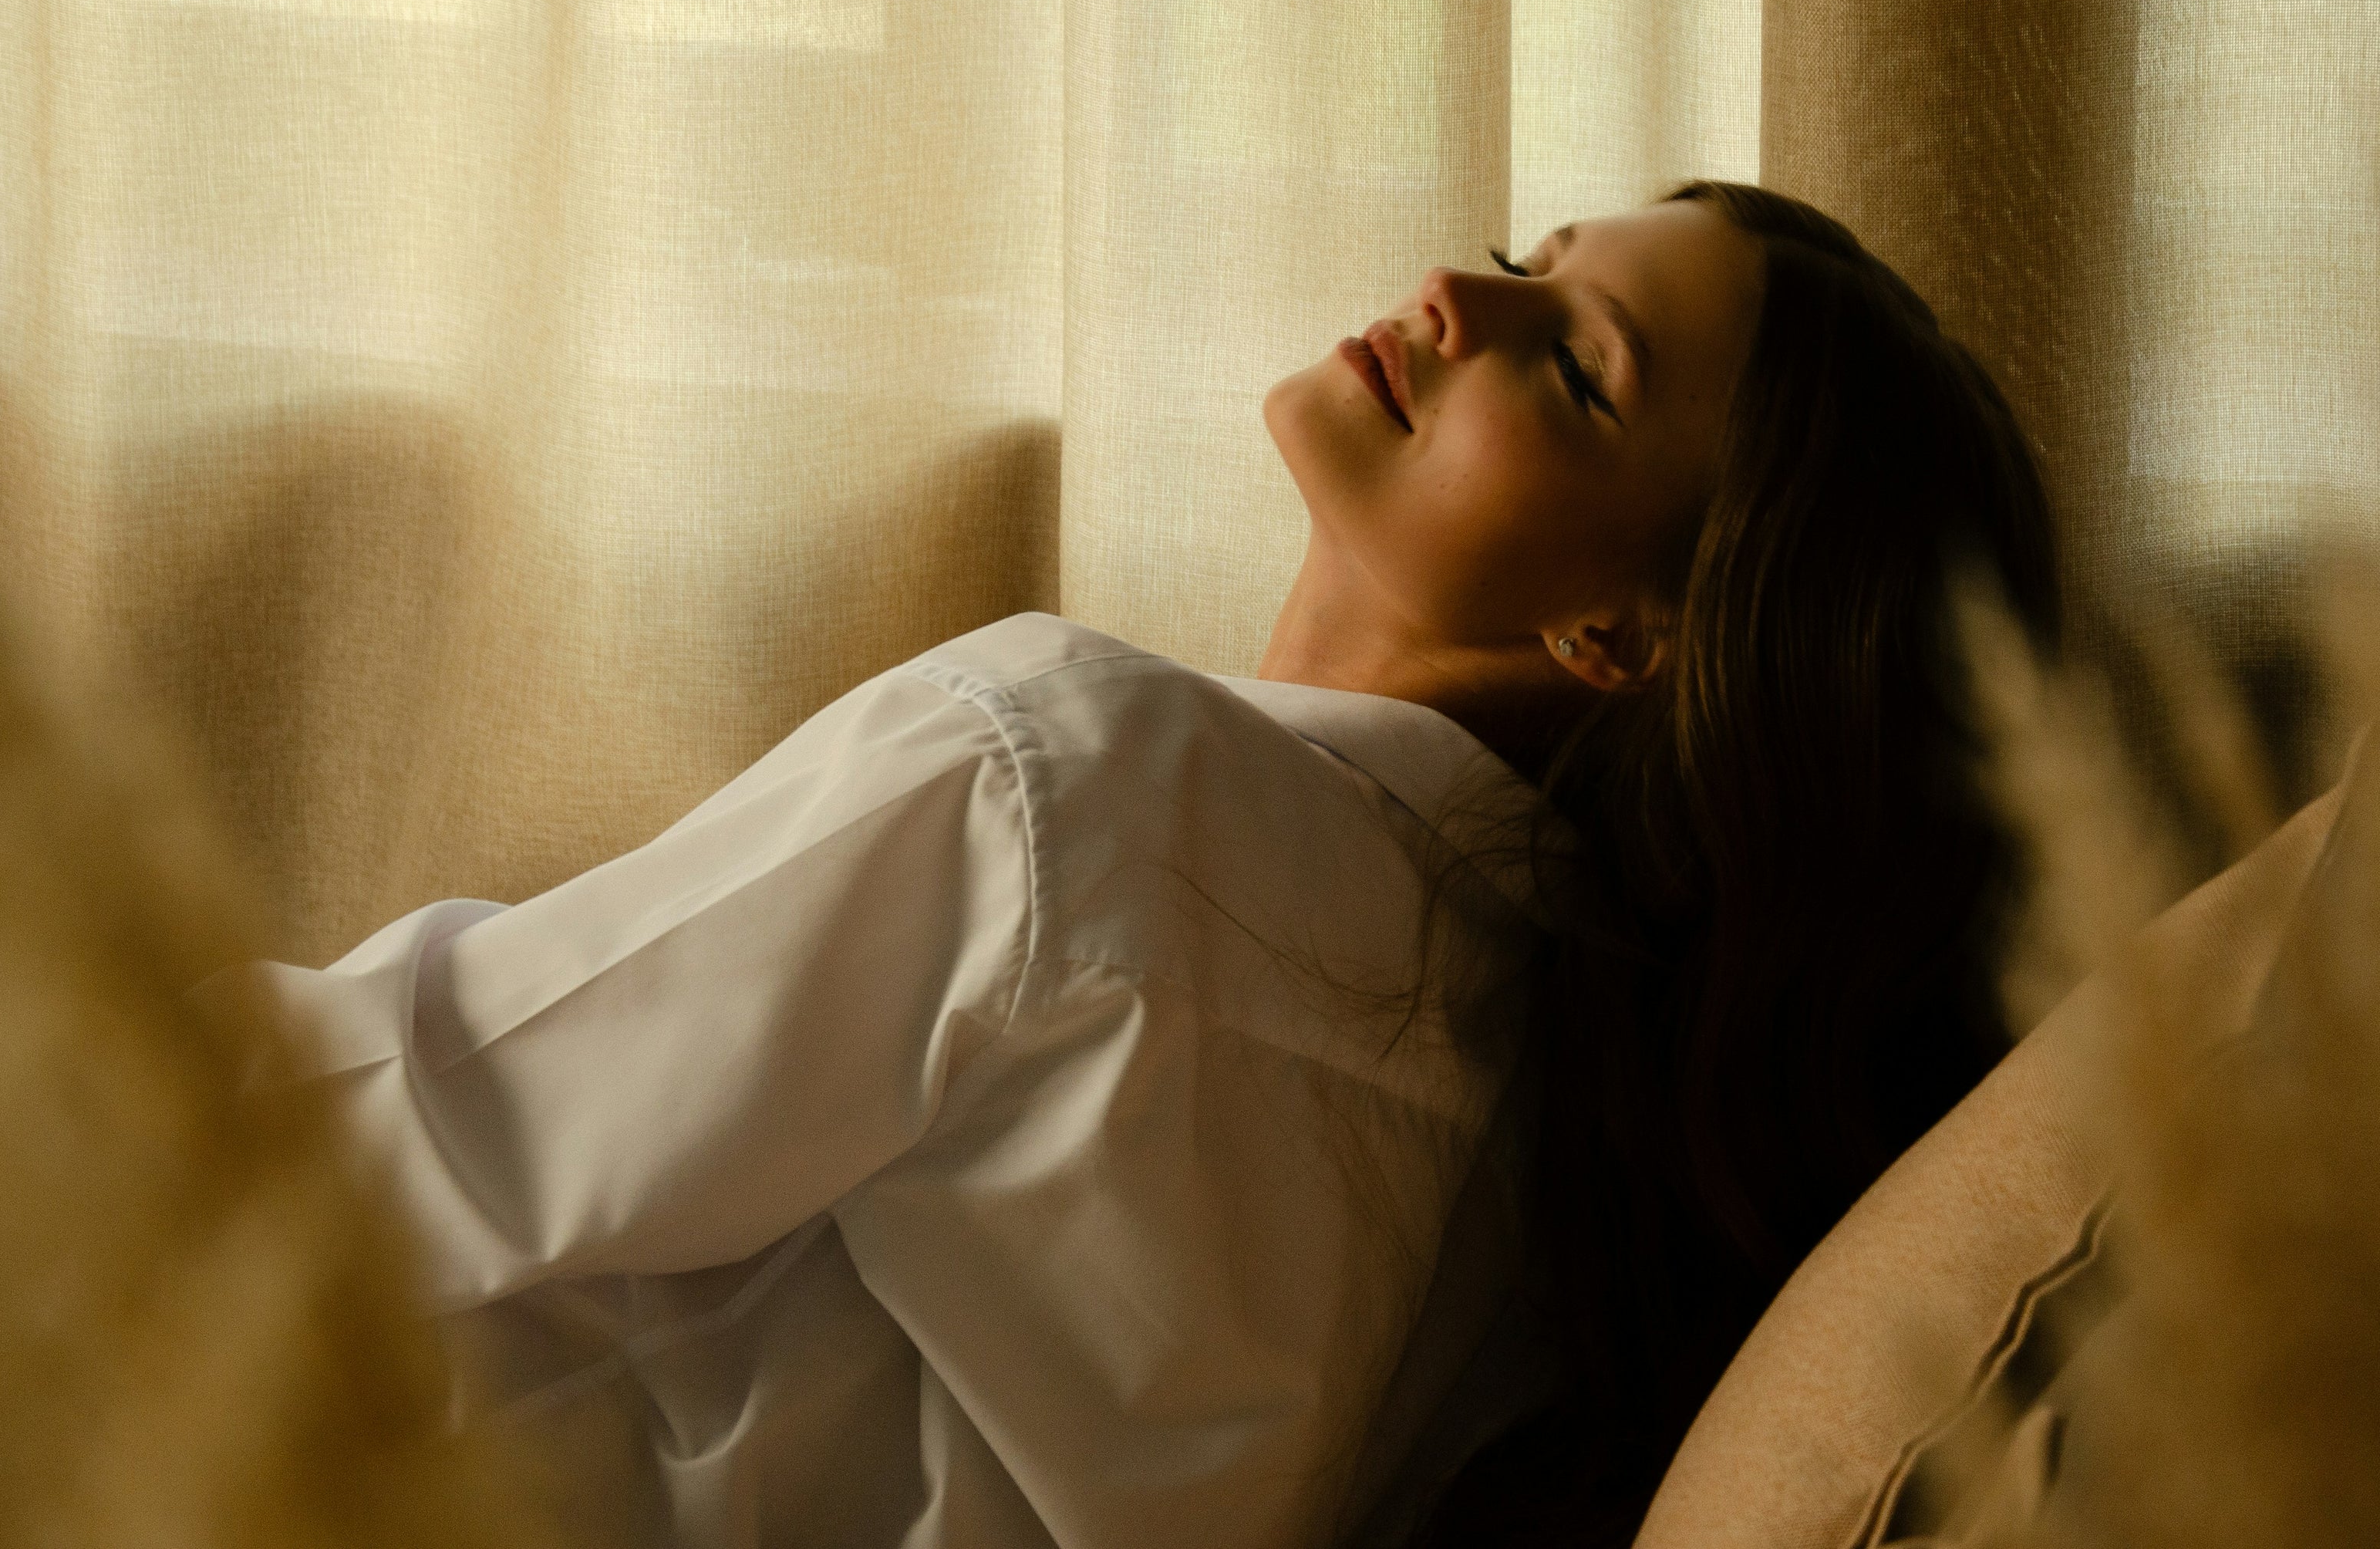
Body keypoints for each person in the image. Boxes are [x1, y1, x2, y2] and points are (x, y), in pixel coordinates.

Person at [251, 180, 2058, 1549]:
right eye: (1530, 254)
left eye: (1574, 369)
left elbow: (381, 1134)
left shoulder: (1082, 785)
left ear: (1623, 633)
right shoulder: (1564, 1165)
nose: (1456, 295)